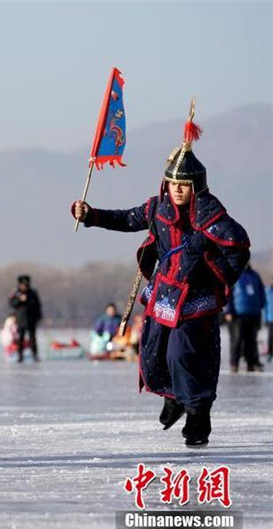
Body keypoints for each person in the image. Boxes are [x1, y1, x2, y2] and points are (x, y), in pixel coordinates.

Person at [71, 102, 250, 448]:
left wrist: (218, 279)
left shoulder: (210, 212)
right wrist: (91, 215)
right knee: (154, 352)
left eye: (184, 184)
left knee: (182, 354)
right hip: (164, 293)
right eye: (173, 183)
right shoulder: (157, 207)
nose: (178, 190)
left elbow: (237, 246)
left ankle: (198, 415)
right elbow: (125, 219)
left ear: (196, 185)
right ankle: (174, 397)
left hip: (196, 298)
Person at [224, 263, 266, 372]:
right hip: (237, 315)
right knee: (236, 340)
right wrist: (228, 311)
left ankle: (251, 363)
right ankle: (234, 363)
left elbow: (261, 291)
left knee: (251, 340)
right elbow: (228, 293)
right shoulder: (234, 274)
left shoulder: (255, 275)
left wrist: (260, 305)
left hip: (253, 313)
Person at [9, 274, 42, 362]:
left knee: (32, 338)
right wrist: (20, 300)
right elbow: (12, 304)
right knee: (20, 338)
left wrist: (39, 317)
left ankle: (34, 354)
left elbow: (37, 305)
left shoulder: (33, 293)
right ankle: (20, 355)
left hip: (31, 319)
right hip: (20, 319)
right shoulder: (16, 293)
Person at [265, 278, 273, 362]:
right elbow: (265, 306)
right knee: (270, 337)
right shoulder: (268, 291)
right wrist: (266, 318)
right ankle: (270, 353)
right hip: (271, 318)